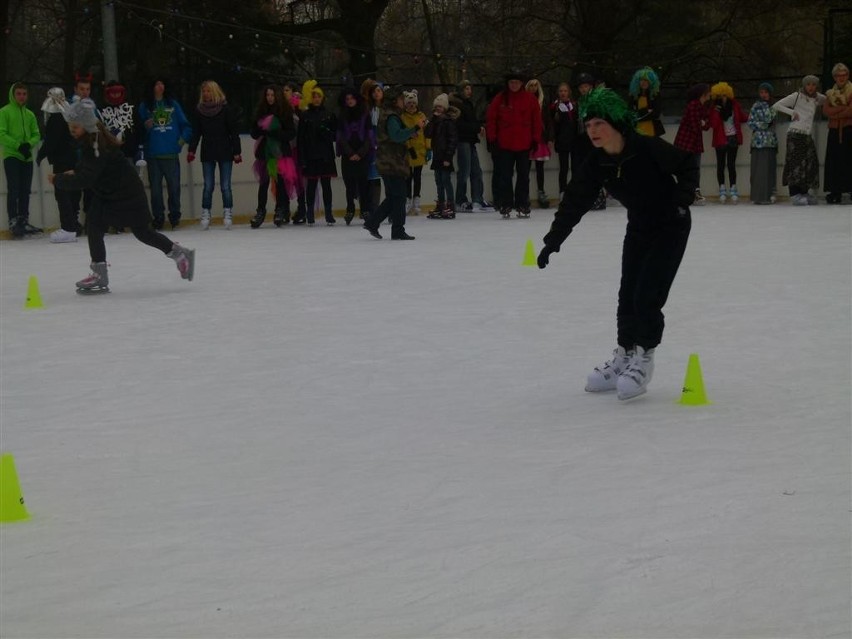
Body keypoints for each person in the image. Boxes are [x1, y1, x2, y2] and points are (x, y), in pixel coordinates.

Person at [536, 88, 697, 401]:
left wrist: (682, 199)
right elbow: (575, 201)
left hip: (670, 226)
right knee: (627, 294)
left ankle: (644, 357)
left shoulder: (646, 147)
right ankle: (624, 354)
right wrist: (552, 241)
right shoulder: (597, 161)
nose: (593, 131)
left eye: (599, 123)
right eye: (589, 124)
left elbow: (687, 163)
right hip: (639, 226)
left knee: (647, 293)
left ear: (616, 123)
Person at [49, 99, 195, 294]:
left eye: (75, 126)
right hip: (112, 193)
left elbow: (87, 178)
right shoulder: (91, 141)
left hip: (126, 195)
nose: (72, 130)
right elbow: (92, 169)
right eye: (71, 127)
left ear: (86, 125)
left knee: (142, 232)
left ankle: (180, 254)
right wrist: (74, 172)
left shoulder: (95, 144)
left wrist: (58, 179)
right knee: (95, 225)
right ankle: (100, 273)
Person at [363, 85, 425, 240]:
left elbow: (395, 135)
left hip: (388, 161)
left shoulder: (390, 115)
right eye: (401, 99)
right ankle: (397, 229)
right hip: (392, 162)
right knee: (399, 196)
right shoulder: (392, 116)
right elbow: (396, 136)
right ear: (394, 101)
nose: (403, 101)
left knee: (393, 196)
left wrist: (410, 134)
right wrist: (414, 128)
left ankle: (373, 223)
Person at [486, 69, 542, 218]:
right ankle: (506, 204)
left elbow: (536, 121)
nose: (514, 85)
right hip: (504, 145)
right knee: (505, 176)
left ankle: (522, 204)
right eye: (511, 82)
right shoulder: (500, 99)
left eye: (516, 82)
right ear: (507, 83)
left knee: (524, 176)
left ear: (521, 83)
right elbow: (491, 120)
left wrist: (536, 139)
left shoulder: (530, 99)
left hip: (524, 145)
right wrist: (492, 140)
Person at [137, 77, 192, 228]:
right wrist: (146, 127)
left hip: (171, 153)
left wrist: (180, 142)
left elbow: (186, 126)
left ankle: (175, 215)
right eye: (157, 83)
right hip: (153, 154)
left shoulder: (173, 104)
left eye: (162, 83)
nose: (160, 86)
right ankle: (158, 217)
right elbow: (138, 131)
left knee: (174, 187)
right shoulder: (144, 106)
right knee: (155, 190)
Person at [187, 80, 242, 230]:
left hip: (224, 150)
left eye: (208, 91)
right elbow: (196, 132)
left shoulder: (225, 109)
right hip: (208, 150)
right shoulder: (199, 111)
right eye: (204, 91)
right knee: (208, 185)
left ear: (215, 92)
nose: (206, 94)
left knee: (225, 186)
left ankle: (227, 212)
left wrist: (237, 151)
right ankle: (206, 212)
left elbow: (233, 132)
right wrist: (192, 150)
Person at [773, 75, 826, 205]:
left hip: (807, 135)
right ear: (804, 85)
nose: (811, 87)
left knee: (809, 164)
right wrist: (792, 113)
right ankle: (794, 194)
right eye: (808, 84)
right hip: (795, 134)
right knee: (795, 164)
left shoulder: (816, 98)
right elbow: (776, 106)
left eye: (814, 85)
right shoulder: (796, 96)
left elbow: (827, 99)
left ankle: (804, 192)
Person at [250, 85, 297, 228]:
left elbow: (291, 133)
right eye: (268, 95)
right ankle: (260, 211)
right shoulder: (260, 112)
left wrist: (276, 133)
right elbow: (253, 133)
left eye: (272, 95)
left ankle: (280, 210)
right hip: (265, 153)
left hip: (280, 153)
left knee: (281, 183)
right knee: (263, 183)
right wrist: (261, 130)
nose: (270, 97)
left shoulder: (285, 111)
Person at [36, 88, 79, 242]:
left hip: (62, 160)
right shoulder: (68, 115)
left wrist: (40, 155)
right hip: (71, 157)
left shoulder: (56, 117)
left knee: (62, 193)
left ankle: (68, 227)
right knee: (72, 192)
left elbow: (51, 141)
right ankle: (73, 224)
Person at [0, 82, 41, 238]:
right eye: (19, 93)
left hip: (27, 157)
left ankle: (23, 220)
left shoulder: (30, 114)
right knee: (14, 189)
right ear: (13, 94)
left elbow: (36, 134)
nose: (21, 97)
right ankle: (13, 221)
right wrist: (18, 145)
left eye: (24, 94)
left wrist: (28, 144)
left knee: (25, 190)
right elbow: (1, 133)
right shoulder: (4, 112)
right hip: (12, 156)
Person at [296, 80, 338, 226]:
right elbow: (300, 138)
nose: (316, 99)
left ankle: (328, 213)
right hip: (311, 155)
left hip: (325, 154)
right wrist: (302, 157)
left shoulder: (329, 115)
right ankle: (310, 213)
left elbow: (335, 134)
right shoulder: (305, 116)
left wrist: (326, 132)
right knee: (311, 185)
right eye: (314, 96)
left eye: (318, 96)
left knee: (326, 185)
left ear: (322, 98)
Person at [453, 80, 492, 212]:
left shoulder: (468, 104)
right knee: (464, 172)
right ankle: (460, 200)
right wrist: (477, 127)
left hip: (470, 140)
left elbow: (471, 121)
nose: (469, 91)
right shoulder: (456, 104)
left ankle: (477, 199)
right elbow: (459, 125)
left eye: (470, 88)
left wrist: (478, 127)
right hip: (463, 140)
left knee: (476, 171)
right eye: (466, 89)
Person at [707, 82, 747, 203]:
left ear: (729, 95)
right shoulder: (714, 108)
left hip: (732, 138)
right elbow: (713, 124)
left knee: (731, 164)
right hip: (720, 139)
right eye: (720, 96)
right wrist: (716, 111)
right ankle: (722, 189)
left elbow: (743, 117)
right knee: (720, 165)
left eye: (724, 95)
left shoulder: (734, 105)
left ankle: (733, 188)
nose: (722, 98)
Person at [572, 72, 607, 210]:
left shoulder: (596, 101)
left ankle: (598, 198)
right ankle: (585, 197)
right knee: (583, 168)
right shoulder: (578, 102)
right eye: (581, 87)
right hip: (581, 139)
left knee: (595, 168)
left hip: (594, 139)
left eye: (586, 86)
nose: (583, 89)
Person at [673, 83, 712, 205]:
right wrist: (703, 123)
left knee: (694, 169)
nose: (710, 94)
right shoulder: (694, 105)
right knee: (689, 169)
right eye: (708, 92)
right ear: (703, 94)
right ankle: (691, 193)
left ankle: (694, 192)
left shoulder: (701, 106)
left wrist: (704, 123)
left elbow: (706, 124)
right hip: (687, 143)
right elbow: (696, 125)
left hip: (694, 143)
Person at [424, 92, 459, 219]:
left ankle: (450, 205)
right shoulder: (435, 121)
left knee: (446, 181)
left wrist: (448, 157)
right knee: (438, 181)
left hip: (445, 157)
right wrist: (432, 120)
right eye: (436, 107)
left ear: (445, 108)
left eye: (440, 107)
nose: (437, 109)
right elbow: (427, 134)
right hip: (437, 157)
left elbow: (452, 140)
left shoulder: (449, 122)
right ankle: (441, 204)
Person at [822, 62, 852, 204]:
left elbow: (851, 110)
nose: (841, 77)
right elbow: (826, 111)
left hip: (849, 130)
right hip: (834, 131)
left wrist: (837, 112)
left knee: (849, 159)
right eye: (838, 75)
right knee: (834, 161)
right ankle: (835, 191)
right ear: (834, 77)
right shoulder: (830, 94)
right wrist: (842, 110)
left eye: (844, 74)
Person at [746, 82, 778, 204]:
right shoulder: (756, 106)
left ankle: (768, 195)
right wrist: (763, 125)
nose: (764, 95)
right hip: (758, 143)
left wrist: (765, 122)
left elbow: (771, 119)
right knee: (758, 171)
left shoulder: (773, 106)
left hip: (770, 142)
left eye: (766, 92)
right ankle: (758, 196)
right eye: (761, 92)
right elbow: (751, 122)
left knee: (768, 170)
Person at [526, 78, 554, 208]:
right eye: (531, 86)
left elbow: (548, 120)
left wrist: (549, 138)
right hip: (525, 137)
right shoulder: (524, 100)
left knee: (539, 167)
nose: (533, 88)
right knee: (524, 167)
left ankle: (541, 191)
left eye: (535, 86)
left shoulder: (543, 102)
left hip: (540, 137)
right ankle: (524, 193)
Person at [400, 89, 428, 216]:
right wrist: (409, 145)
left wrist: (428, 148)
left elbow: (428, 133)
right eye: (409, 103)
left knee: (417, 177)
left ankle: (416, 201)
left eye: (413, 103)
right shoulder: (402, 117)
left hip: (420, 150)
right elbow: (402, 134)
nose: (411, 105)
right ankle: (407, 200)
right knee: (407, 177)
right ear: (405, 104)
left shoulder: (422, 116)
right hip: (408, 151)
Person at [361, 78, 384, 221]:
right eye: (373, 91)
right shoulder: (366, 109)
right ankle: (367, 208)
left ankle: (375, 207)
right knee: (367, 177)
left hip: (380, 143)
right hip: (368, 144)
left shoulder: (384, 109)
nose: (376, 94)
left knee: (376, 177)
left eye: (379, 90)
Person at [550, 82, 578, 201]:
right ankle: (562, 191)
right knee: (564, 168)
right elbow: (552, 125)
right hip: (562, 141)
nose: (563, 93)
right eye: (561, 91)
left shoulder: (575, 105)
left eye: (565, 91)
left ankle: (576, 190)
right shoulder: (554, 107)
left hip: (575, 140)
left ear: (569, 92)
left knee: (576, 167)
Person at [628, 67, 665, 137]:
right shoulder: (634, 95)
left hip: (652, 130)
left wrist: (638, 114)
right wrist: (647, 111)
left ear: (651, 81)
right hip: (637, 129)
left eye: (646, 80)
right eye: (641, 80)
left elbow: (656, 113)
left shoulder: (655, 95)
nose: (643, 82)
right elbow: (630, 112)